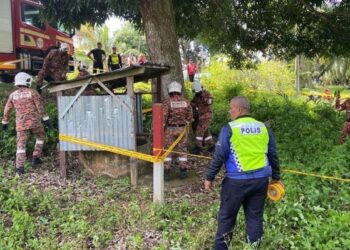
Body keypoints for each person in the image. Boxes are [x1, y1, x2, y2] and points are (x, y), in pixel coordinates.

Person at [204, 96, 282, 250]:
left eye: (231, 109)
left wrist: (209, 177)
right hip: (261, 180)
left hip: (236, 183)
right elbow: (272, 154)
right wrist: (276, 177)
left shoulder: (230, 129)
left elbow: (220, 155)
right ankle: (253, 247)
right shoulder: (263, 128)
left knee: (226, 218)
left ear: (239, 109)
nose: (229, 112)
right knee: (255, 218)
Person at [1, 72, 51, 176]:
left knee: (20, 145)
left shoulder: (13, 95)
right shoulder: (33, 93)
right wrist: (46, 119)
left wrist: (5, 122)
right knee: (40, 136)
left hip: (21, 125)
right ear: (26, 81)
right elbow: (40, 108)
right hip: (35, 123)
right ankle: (36, 157)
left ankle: (19, 168)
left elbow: (7, 110)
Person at [162, 81, 193, 180]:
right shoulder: (186, 102)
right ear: (179, 90)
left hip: (170, 129)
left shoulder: (167, 102)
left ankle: (167, 172)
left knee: (168, 150)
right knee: (183, 150)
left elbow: (163, 117)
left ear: (170, 91)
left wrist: (161, 129)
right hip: (182, 129)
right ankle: (183, 170)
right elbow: (190, 117)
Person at [191, 80, 214, 153]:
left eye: (197, 92)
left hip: (207, 116)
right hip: (200, 117)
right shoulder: (196, 96)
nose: (196, 93)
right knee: (206, 132)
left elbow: (210, 102)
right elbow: (192, 103)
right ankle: (212, 146)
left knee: (199, 131)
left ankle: (198, 147)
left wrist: (203, 96)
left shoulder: (206, 93)